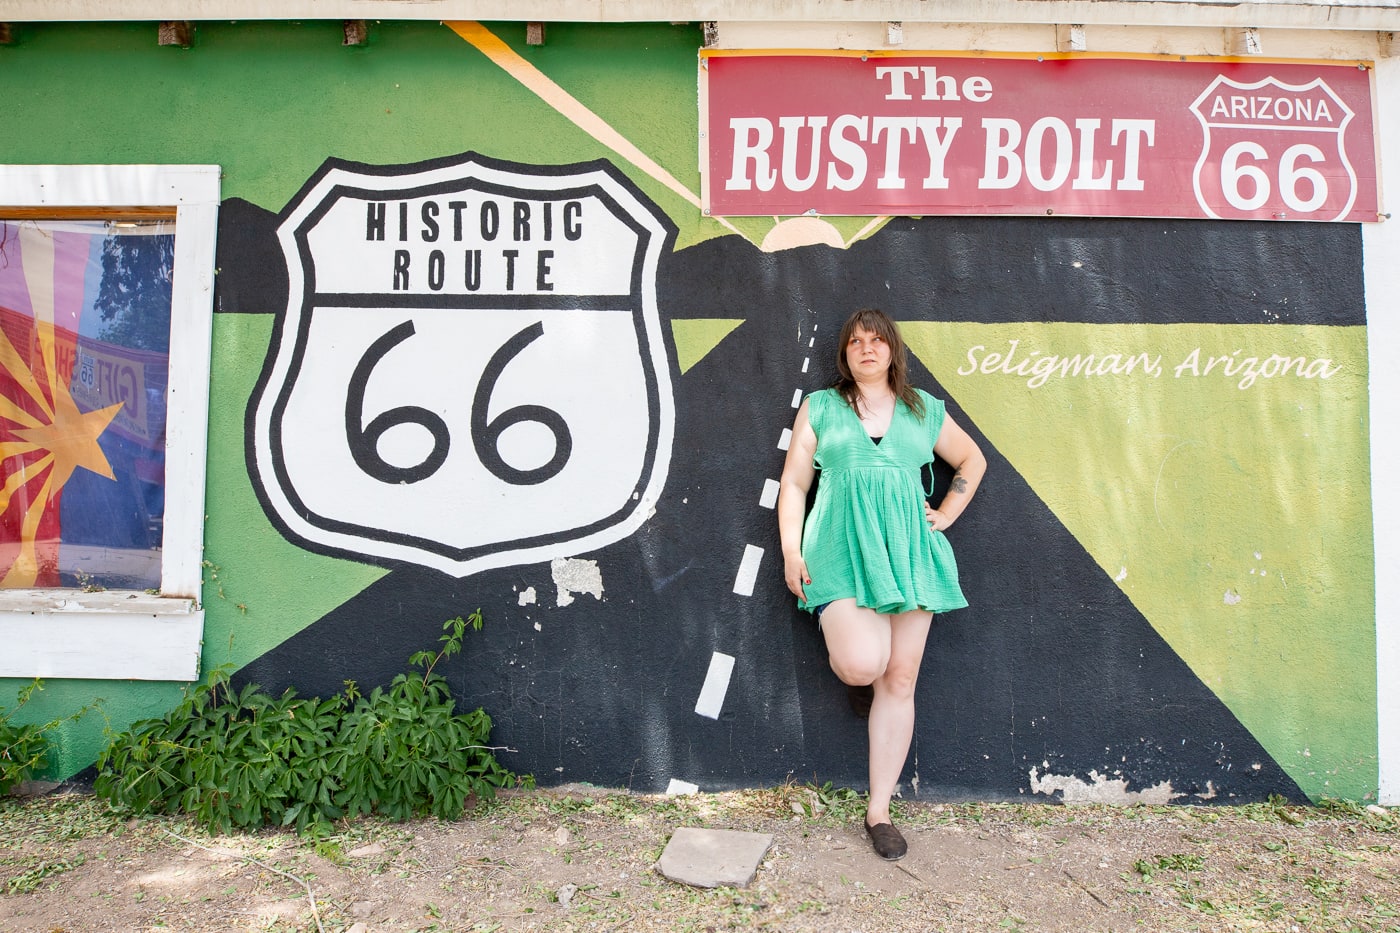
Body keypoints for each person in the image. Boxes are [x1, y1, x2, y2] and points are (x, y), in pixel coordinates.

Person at [777, 307, 985, 861]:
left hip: (909, 553)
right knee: (864, 666)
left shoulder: (922, 410)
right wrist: (791, 550)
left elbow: (972, 458)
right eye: (854, 342)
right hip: (840, 552)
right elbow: (796, 482)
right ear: (844, 354)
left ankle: (879, 811)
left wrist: (945, 512)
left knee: (900, 678)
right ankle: (857, 679)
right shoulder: (821, 407)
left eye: (876, 340)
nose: (866, 348)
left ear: (892, 349)